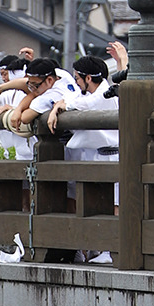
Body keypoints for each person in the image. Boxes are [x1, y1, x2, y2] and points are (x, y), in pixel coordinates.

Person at [48, 56, 120, 261]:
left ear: (89, 77)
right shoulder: (96, 93)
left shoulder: (104, 94)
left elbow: (80, 104)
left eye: (78, 78)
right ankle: (96, 247)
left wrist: (59, 106)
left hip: (111, 154)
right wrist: (59, 105)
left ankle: (109, 250)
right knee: (93, 203)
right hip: (96, 155)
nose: (77, 83)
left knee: (113, 205)